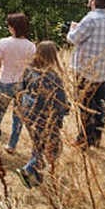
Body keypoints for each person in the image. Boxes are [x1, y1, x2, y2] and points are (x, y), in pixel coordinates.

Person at [66, 0, 105, 148]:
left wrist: (72, 29)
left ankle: (84, 138)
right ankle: (96, 136)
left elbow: (73, 39)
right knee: (100, 104)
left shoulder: (90, 19)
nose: (88, 1)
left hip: (86, 70)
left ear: (94, 1)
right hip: (103, 69)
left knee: (85, 104)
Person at [0, 13, 35, 152]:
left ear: (13, 28)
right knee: (18, 116)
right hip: (22, 84)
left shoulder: (4, 42)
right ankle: (12, 145)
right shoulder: (31, 46)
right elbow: (32, 67)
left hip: (5, 82)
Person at [14, 41, 69, 188]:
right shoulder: (52, 77)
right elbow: (60, 100)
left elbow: (19, 90)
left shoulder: (29, 71)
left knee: (38, 144)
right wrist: (64, 111)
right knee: (54, 148)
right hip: (46, 118)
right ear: (53, 56)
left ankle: (36, 179)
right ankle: (28, 169)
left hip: (28, 115)